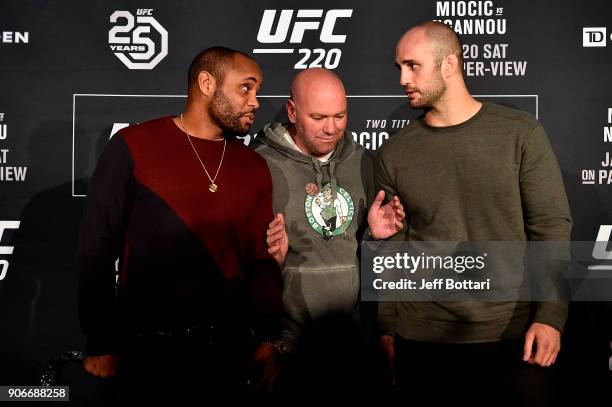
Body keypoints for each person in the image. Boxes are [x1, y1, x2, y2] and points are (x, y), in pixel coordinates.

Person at [375, 22, 571, 404]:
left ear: (448, 65)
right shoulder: (394, 151)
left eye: (412, 65)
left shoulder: (520, 135)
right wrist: (387, 327)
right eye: (399, 66)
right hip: (421, 338)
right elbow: (393, 246)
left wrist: (550, 316)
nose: (402, 78)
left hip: (509, 336)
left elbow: (550, 228)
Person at [78, 47, 283, 401]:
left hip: (227, 355)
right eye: (246, 88)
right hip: (146, 355)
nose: (255, 101)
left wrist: (268, 338)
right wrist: (100, 339)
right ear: (207, 83)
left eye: (257, 91)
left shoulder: (253, 166)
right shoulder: (133, 146)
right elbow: (97, 247)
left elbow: (261, 259)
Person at [252, 68, 404, 395]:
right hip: (288, 348)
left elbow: (382, 264)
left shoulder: (366, 162)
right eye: (319, 117)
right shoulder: (259, 165)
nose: (331, 128)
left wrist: (373, 238)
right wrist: (270, 262)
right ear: (292, 111)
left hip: (353, 346)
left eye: (340, 115)